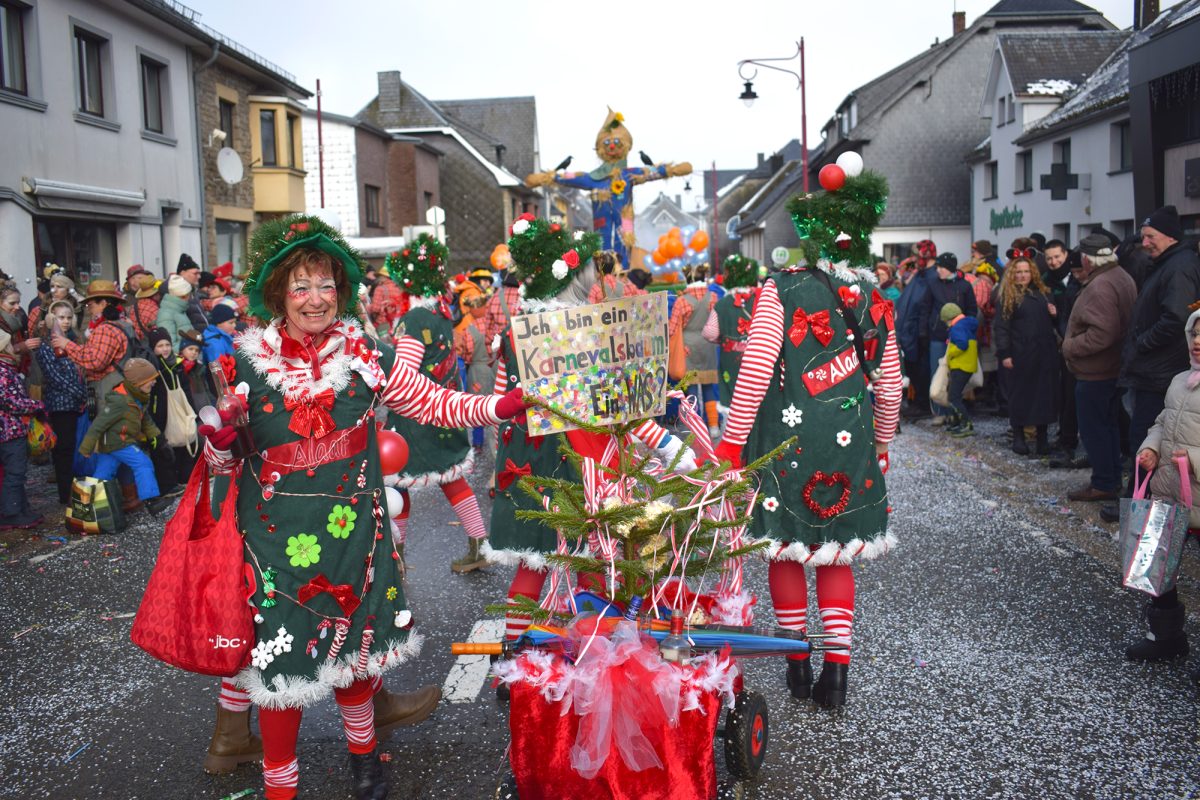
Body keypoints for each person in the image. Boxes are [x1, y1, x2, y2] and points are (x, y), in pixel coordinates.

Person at [196, 214, 528, 800]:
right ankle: (280, 786)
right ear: (278, 293)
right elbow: (220, 465)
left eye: (326, 285)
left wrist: (499, 407)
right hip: (274, 541)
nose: (315, 298)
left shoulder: (364, 353)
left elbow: (431, 403)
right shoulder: (245, 364)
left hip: (354, 532)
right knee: (281, 666)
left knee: (356, 649)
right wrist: (219, 446)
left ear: (342, 290)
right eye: (301, 286)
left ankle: (366, 761)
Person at [484, 218, 695, 649]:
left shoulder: (513, 334)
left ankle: (512, 656)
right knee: (595, 560)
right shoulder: (581, 333)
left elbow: (499, 402)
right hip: (579, 461)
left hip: (524, 460)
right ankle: (591, 653)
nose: (595, 279)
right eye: (589, 273)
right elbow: (617, 406)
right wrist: (666, 442)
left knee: (532, 564)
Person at [713, 254, 903, 707]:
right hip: (850, 437)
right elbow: (891, 381)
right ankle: (836, 674)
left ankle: (797, 666)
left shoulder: (779, 288)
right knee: (837, 552)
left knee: (786, 547)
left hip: (784, 438)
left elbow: (755, 372)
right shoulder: (871, 292)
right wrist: (881, 441)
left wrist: (732, 444)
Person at [385, 240, 492, 576]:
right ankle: (479, 544)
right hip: (445, 410)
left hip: (416, 415)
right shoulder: (440, 312)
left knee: (398, 483)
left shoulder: (416, 317)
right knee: (451, 476)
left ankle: (396, 558)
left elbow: (405, 371)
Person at [1125, 307, 1200, 684]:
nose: (1198, 342)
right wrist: (1151, 447)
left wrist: (1194, 460)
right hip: (1170, 490)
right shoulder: (1179, 380)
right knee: (1158, 566)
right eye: (1195, 334)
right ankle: (1166, 635)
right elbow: (1162, 422)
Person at [1062, 234, 1137, 501]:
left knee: (1095, 429)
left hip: (1097, 371)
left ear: (1087, 259)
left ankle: (1104, 482)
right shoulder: (1120, 275)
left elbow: (1103, 334)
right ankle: (1110, 479)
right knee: (1108, 426)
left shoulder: (1101, 285)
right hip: (1113, 368)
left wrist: (1069, 346)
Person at [77, 358, 174, 516]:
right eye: (150, 379)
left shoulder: (139, 396)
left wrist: (159, 439)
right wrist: (86, 448)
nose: (154, 382)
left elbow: (145, 420)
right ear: (138, 382)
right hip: (119, 442)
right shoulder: (119, 400)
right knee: (143, 463)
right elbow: (98, 424)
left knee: (103, 475)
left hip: (114, 444)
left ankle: (87, 508)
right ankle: (151, 500)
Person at [993, 256, 1059, 455]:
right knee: (1020, 396)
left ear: (1033, 273)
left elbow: (1055, 324)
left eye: (1026, 271)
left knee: (1044, 396)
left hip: (1044, 353)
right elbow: (1001, 328)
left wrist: (1055, 314)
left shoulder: (1044, 293)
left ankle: (1042, 438)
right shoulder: (1007, 296)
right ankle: (1019, 436)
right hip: (1020, 353)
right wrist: (1005, 353)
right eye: (1019, 272)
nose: (1022, 275)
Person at [34, 301, 89, 505]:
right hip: (60, 404)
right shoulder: (46, 346)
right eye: (60, 317)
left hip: (76, 403)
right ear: (51, 319)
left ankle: (77, 489)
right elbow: (56, 377)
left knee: (76, 446)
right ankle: (66, 494)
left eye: (68, 317)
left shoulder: (73, 340)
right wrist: (82, 394)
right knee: (64, 449)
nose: (65, 321)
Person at [919, 252, 978, 423]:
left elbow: (972, 310)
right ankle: (939, 412)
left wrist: (966, 328)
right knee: (937, 374)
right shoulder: (932, 284)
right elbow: (925, 309)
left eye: (941, 267)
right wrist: (923, 331)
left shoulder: (965, 286)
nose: (938, 270)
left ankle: (955, 412)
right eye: (937, 266)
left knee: (957, 376)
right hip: (937, 335)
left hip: (959, 337)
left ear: (950, 268)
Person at [669, 261, 721, 437]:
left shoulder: (681, 301)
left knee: (690, 388)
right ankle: (713, 426)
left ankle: (695, 428)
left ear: (687, 279)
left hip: (687, 347)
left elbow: (672, 329)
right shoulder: (713, 297)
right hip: (708, 345)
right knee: (708, 386)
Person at [0, 330, 45, 529]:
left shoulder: (6, 368)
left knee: (15, 472)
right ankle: (12, 513)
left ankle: (21, 508)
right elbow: (10, 402)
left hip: (9, 429)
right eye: (9, 343)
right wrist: (36, 405)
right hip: (9, 431)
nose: (14, 347)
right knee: (15, 472)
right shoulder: (3, 370)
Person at [703, 254, 759, 414]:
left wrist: (722, 338)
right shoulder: (762, 299)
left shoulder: (723, 304)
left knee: (734, 398)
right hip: (759, 358)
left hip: (731, 359)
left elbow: (709, 333)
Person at [147, 327, 197, 489]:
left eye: (167, 344)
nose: (165, 349)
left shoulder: (177, 364)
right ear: (153, 348)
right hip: (160, 413)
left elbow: (186, 389)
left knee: (184, 440)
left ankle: (186, 477)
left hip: (179, 409)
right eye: (160, 346)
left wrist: (191, 409)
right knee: (164, 447)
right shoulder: (152, 366)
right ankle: (168, 484)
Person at [895, 239, 939, 419]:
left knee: (921, 369)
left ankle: (923, 403)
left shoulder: (932, 276)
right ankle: (918, 401)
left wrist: (922, 332)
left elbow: (925, 305)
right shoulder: (921, 275)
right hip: (910, 330)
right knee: (913, 367)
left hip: (920, 332)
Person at [452, 277, 493, 450]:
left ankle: (478, 441)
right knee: (496, 402)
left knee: (478, 405)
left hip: (476, 370)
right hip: (493, 367)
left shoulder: (468, 329)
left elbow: (465, 352)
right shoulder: (490, 323)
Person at [940, 302, 979, 437]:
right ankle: (957, 423)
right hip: (967, 365)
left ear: (948, 318)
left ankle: (966, 425)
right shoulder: (966, 324)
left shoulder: (957, 327)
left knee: (953, 397)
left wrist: (950, 354)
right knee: (955, 395)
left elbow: (962, 345)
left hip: (960, 366)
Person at [171, 254, 209, 331]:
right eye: (195, 273)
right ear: (182, 273)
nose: (199, 277)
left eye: (199, 273)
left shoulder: (192, 291)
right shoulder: (176, 293)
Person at [158, 275, 195, 351]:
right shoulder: (166, 314)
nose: (191, 297)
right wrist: (191, 347)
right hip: (182, 357)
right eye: (190, 294)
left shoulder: (179, 310)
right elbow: (169, 345)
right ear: (184, 295)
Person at [129, 273, 161, 339]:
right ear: (155, 294)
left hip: (139, 343)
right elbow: (159, 333)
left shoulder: (134, 307)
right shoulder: (154, 310)